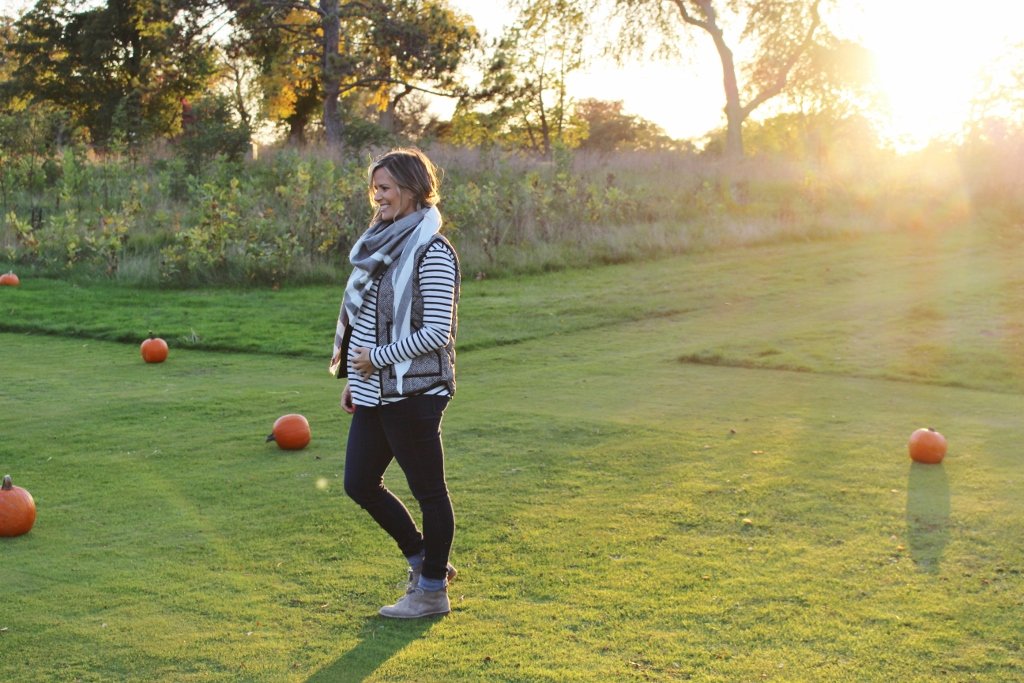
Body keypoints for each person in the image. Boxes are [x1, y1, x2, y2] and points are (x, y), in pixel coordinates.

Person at [330, 148, 460, 619]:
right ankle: (426, 560)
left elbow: (435, 334)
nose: (377, 196)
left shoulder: (432, 250)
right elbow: (366, 316)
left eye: (385, 188)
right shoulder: (381, 243)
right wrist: (353, 374)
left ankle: (430, 593)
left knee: (429, 492)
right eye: (375, 188)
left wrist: (376, 359)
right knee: (359, 482)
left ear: (410, 189)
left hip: (415, 392)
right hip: (374, 391)